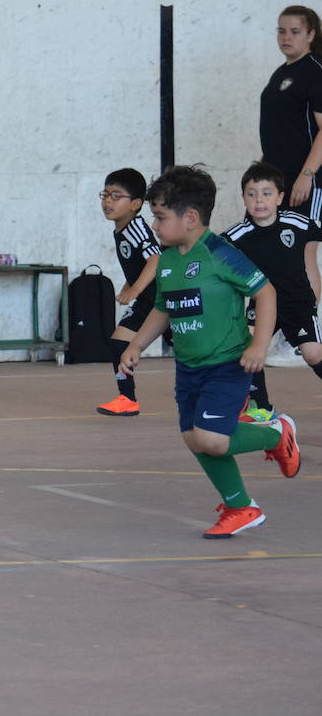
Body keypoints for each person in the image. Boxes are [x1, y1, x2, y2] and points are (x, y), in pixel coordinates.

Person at [119, 165, 300, 539]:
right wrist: (136, 344)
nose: (154, 225)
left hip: (227, 363)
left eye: (160, 217)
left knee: (212, 439)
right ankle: (241, 508)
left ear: (191, 217)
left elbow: (265, 292)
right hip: (188, 367)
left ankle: (275, 434)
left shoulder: (220, 253)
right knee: (193, 437)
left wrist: (259, 344)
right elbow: (163, 308)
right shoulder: (167, 260)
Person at [222, 161, 322, 420]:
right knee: (248, 349)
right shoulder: (236, 236)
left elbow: (312, 256)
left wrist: (313, 302)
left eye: (267, 194)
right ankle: (261, 407)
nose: (259, 201)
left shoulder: (298, 225)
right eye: (251, 194)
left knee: (313, 354)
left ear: (280, 197)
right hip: (263, 307)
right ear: (243, 197)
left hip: (298, 306)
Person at [95, 168, 162, 417]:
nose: (108, 201)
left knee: (197, 351)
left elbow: (156, 259)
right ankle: (127, 399)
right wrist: (129, 283)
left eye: (116, 195)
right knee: (119, 343)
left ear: (135, 204)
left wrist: (134, 289)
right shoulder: (121, 228)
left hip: (163, 299)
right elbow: (139, 263)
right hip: (148, 299)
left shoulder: (135, 228)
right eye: (105, 194)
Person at [259, 5, 322, 222]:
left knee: (304, 250)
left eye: (294, 32)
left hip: (305, 182)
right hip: (275, 181)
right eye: (281, 31)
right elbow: (279, 127)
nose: (286, 37)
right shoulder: (281, 73)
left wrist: (306, 176)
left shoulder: (316, 72)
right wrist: (261, 167)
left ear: (310, 34)